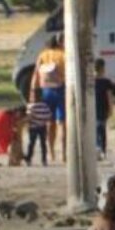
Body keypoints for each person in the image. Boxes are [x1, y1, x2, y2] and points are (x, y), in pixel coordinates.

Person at [29, 34, 66, 163]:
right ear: (60, 42)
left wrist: (33, 93)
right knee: (62, 123)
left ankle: (51, 152)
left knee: (50, 124)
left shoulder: (43, 55)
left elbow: (35, 74)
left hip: (46, 91)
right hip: (61, 90)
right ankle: (64, 154)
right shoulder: (64, 55)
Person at [24, 95, 52, 166]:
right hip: (43, 127)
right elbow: (49, 115)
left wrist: (26, 123)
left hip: (33, 127)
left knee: (31, 143)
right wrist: (43, 121)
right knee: (43, 144)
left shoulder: (31, 106)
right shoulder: (45, 106)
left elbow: (29, 117)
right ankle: (44, 160)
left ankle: (29, 159)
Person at [94, 58, 113, 159]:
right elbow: (109, 96)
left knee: (94, 131)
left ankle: (96, 149)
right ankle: (102, 150)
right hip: (102, 109)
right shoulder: (106, 82)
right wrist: (111, 109)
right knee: (102, 130)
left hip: (92, 109)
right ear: (103, 68)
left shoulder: (90, 82)